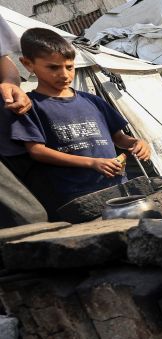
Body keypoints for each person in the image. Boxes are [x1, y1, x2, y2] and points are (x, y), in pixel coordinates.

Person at [10, 28, 151, 213]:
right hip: (75, 197)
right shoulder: (30, 106)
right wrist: (92, 163)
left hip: (118, 187)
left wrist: (138, 143)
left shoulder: (92, 101)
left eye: (69, 67)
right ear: (28, 64)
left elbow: (119, 138)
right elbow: (37, 151)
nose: (65, 74)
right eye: (53, 67)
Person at [0, 14, 48, 228]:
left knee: (39, 213)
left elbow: (4, 64)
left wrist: (11, 84)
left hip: (10, 133)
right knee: (29, 219)